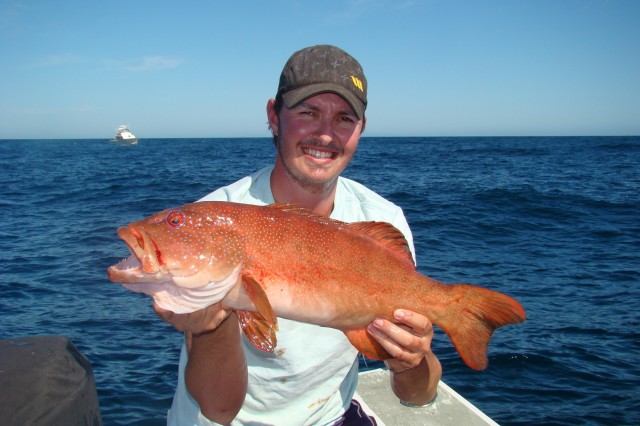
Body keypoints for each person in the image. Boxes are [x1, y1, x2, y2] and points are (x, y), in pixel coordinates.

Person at [155, 44, 442, 425]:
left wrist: (411, 359)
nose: (325, 134)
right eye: (308, 113)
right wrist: (212, 325)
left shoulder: (380, 223)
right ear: (274, 116)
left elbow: (419, 395)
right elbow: (218, 409)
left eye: (343, 118)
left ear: (361, 129)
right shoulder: (213, 219)